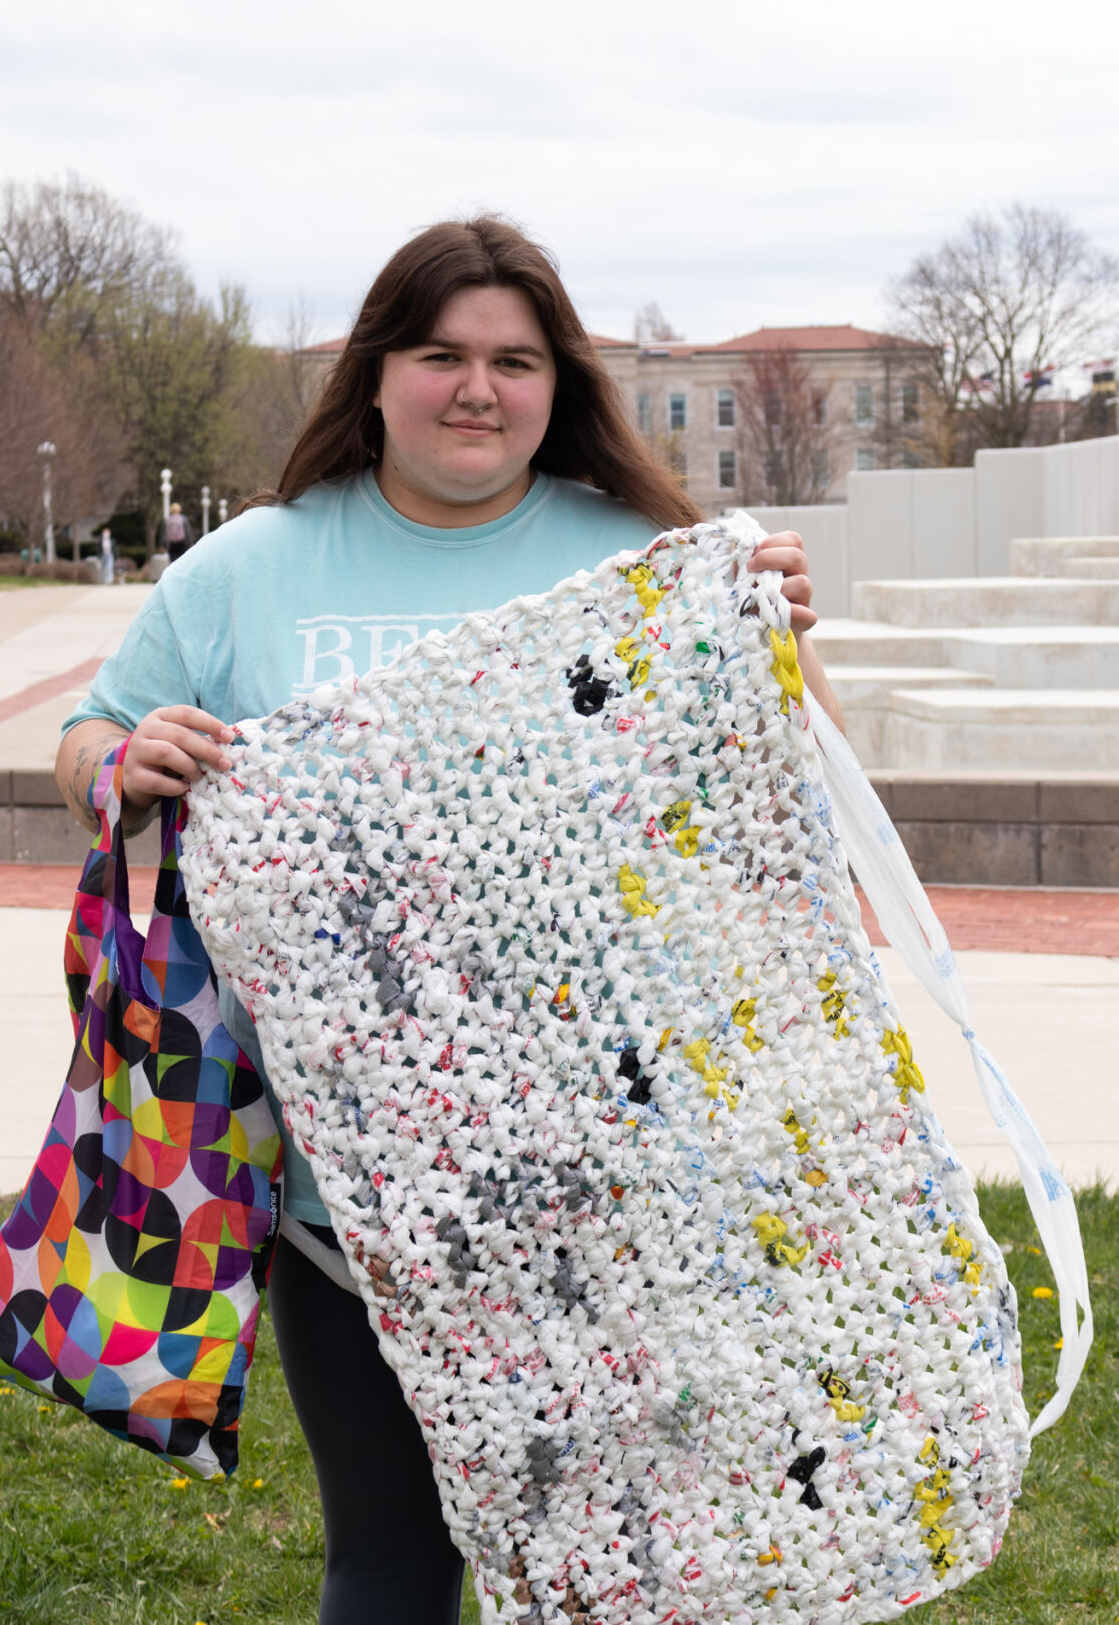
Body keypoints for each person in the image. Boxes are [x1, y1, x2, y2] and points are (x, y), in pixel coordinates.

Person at [56, 215, 842, 1625]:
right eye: (440, 354)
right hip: (349, 1197)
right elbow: (89, 741)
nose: (476, 388)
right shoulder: (249, 566)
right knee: (389, 1563)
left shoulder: (648, 558)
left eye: (513, 360)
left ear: (557, 384)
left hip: (625, 1177)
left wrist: (778, 642)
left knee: (642, 1571)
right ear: (375, 373)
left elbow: (799, 795)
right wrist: (125, 758)